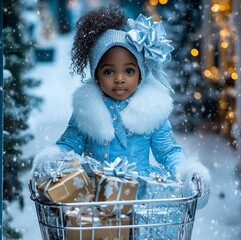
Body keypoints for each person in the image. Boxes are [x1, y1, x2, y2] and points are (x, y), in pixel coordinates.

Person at [32, 5, 210, 208]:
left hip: (140, 197)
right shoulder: (87, 111)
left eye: (129, 71)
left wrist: (186, 172)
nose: (119, 79)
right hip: (95, 200)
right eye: (108, 72)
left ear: (141, 73)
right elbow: (68, 144)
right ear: (96, 75)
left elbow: (168, 151)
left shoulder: (151, 110)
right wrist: (53, 160)